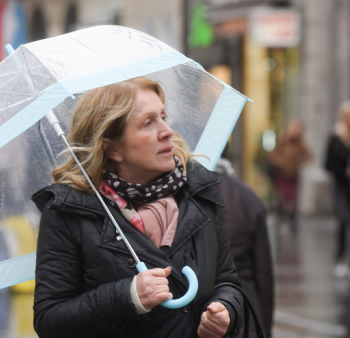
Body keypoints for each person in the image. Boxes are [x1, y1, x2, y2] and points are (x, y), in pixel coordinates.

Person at [31, 77, 244, 338]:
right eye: (148, 123)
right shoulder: (68, 212)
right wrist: (128, 296)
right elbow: (49, 321)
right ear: (112, 148)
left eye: (163, 117)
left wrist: (225, 310)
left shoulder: (198, 192)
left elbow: (227, 280)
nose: (167, 131)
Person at [215, 158, 274, 338]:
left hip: (209, 312)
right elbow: (263, 272)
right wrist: (266, 324)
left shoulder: (186, 197)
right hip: (246, 308)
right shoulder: (247, 197)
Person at [324, 101, 350, 277]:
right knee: (344, 221)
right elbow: (328, 164)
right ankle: (341, 259)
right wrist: (345, 170)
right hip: (342, 187)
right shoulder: (337, 136)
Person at [268, 119, 311, 231]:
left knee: (293, 198)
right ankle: (282, 215)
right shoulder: (282, 141)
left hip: (293, 175)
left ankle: (292, 218)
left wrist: (298, 162)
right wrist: (281, 162)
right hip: (282, 174)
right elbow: (273, 155)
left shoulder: (300, 144)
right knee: (283, 197)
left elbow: (308, 156)